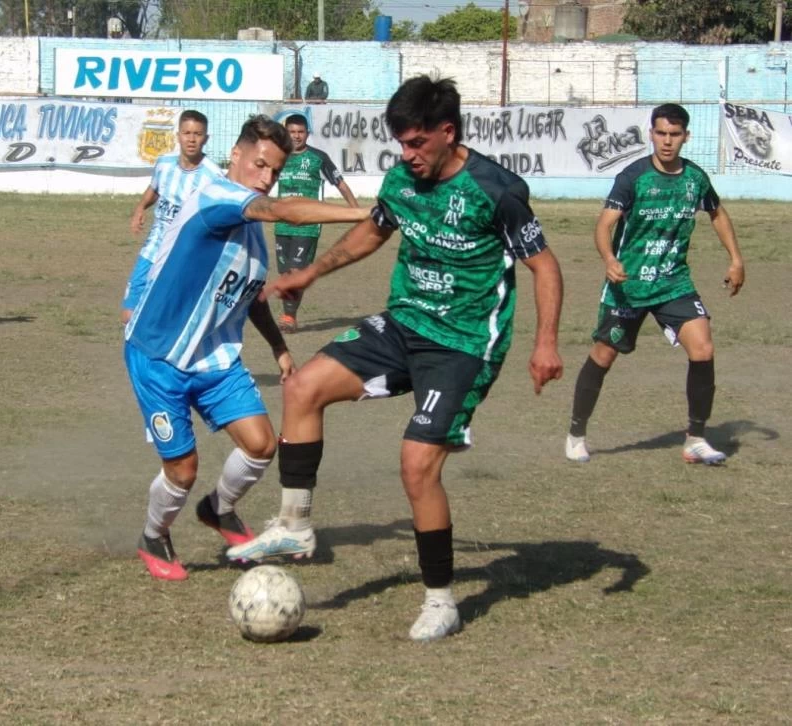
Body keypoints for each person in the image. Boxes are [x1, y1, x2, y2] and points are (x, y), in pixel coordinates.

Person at [227, 76, 564, 642]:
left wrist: (546, 342)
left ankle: (441, 601)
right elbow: (373, 231)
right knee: (303, 386)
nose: (406, 156)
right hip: (405, 322)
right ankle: (294, 524)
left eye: (415, 144)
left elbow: (545, 267)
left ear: (447, 132)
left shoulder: (496, 189)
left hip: (462, 342)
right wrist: (311, 272)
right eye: (400, 145)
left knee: (416, 464)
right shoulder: (402, 179)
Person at [124, 114, 371, 581]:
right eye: (259, 165)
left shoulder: (250, 224)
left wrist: (278, 346)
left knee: (260, 445)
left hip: (214, 357)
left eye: (275, 172)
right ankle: (153, 536)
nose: (266, 178)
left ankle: (219, 510)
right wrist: (366, 213)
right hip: (159, 356)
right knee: (182, 469)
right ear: (235, 155)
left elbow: (250, 294)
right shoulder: (219, 194)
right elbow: (284, 210)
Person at [565, 103, 745, 466]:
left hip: (673, 282)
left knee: (703, 349)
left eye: (674, 135)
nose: (667, 141)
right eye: (661, 133)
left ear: (686, 137)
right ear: (651, 134)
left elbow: (716, 212)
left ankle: (695, 439)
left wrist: (736, 259)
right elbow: (603, 226)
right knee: (603, 355)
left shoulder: (695, 178)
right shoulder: (633, 177)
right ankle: (576, 433)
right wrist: (610, 260)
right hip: (628, 285)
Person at [122, 109, 222, 325]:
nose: (192, 139)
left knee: (164, 317)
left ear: (206, 138)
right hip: (152, 249)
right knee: (129, 314)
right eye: (187, 133)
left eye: (198, 134)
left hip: (182, 256)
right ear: (178, 135)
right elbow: (155, 189)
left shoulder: (213, 176)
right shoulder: (164, 164)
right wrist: (140, 208)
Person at [274, 113, 358, 333]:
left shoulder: (318, 158)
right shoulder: (278, 157)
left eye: (300, 132)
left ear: (307, 134)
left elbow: (340, 183)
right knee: (284, 273)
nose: (296, 136)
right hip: (282, 224)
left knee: (296, 271)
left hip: (308, 225)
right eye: (292, 132)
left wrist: (357, 211)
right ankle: (288, 312)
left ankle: (288, 317)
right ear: (286, 133)